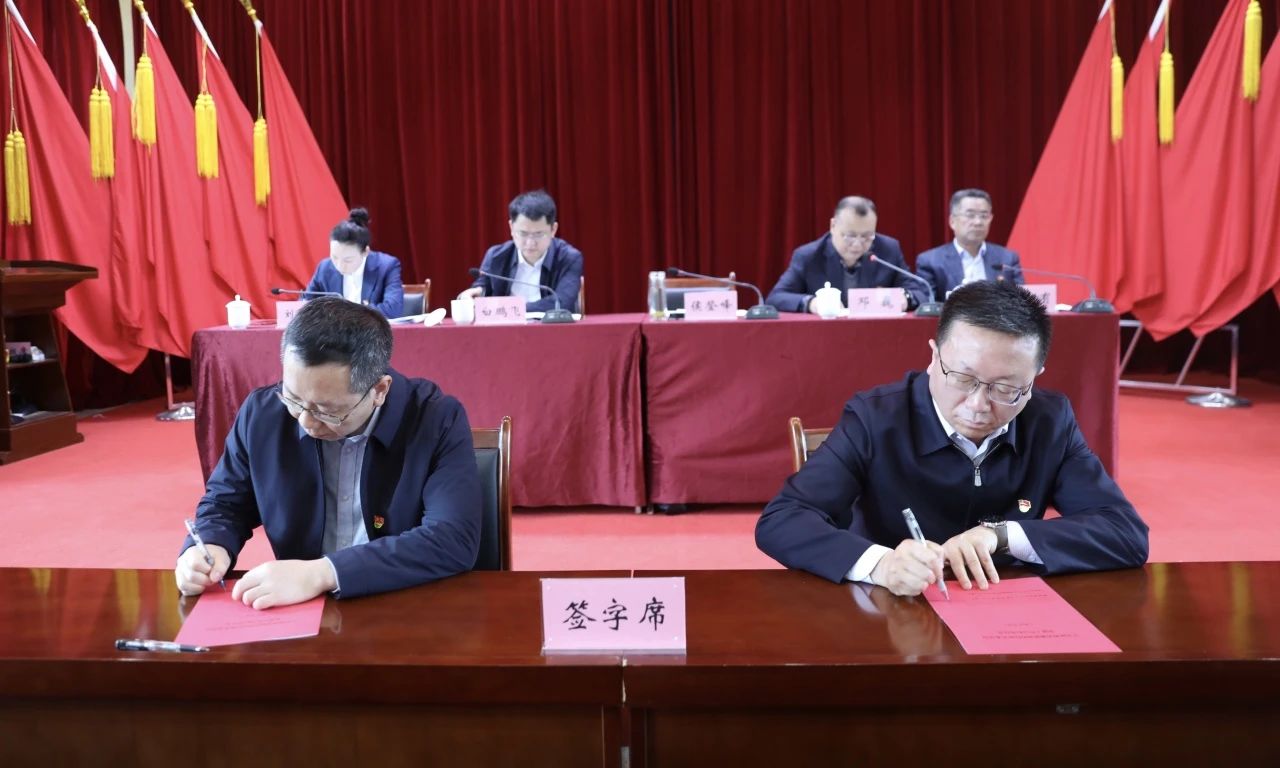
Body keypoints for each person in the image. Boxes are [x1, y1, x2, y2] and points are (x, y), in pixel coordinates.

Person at [755, 281, 1148, 596]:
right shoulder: (876, 418)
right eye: (962, 378)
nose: (977, 406)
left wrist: (1002, 536)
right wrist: (881, 564)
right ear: (933, 357)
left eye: (1005, 388)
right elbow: (783, 519)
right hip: (890, 607)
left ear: (1034, 377)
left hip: (1002, 607)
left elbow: (1125, 533)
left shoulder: (1050, 421)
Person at [175, 298, 481, 608]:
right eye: (293, 399)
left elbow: (452, 538)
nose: (306, 422)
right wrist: (209, 545)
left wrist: (323, 573)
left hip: (404, 602)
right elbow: (225, 503)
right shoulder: (262, 415)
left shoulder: (434, 419)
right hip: (301, 609)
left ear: (379, 390)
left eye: (328, 411)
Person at [766, 196, 929, 313]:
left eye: (867, 236)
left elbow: (921, 293)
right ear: (833, 226)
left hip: (876, 334)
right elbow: (776, 298)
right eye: (850, 236)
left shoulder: (888, 250)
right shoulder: (809, 256)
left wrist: (904, 299)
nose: (858, 244)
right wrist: (812, 303)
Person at [458, 189, 583, 313]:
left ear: (553, 230)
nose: (530, 243)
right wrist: (476, 293)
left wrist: (511, 309)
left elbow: (562, 302)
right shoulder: (496, 256)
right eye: (523, 233)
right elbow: (482, 286)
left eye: (539, 234)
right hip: (505, 326)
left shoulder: (569, 258)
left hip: (550, 325)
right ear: (511, 228)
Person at [915, 189, 1022, 302]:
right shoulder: (931, 261)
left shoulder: (1007, 259)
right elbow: (927, 305)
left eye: (984, 216)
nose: (978, 222)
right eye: (970, 215)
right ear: (952, 221)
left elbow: (1022, 302)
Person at [306, 208, 405, 318]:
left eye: (348, 260)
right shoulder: (324, 267)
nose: (339, 266)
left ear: (365, 252)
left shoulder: (386, 266)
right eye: (334, 257)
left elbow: (393, 309)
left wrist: (345, 316)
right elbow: (304, 305)